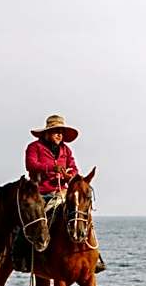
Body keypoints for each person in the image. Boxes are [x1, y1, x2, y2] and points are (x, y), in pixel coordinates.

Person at [12, 114, 105, 272]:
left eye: (61, 132)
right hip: (40, 192)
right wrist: (51, 169)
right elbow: (31, 165)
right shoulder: (34, 147)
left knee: (80, 214)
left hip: (62, 192)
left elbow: (73, 167)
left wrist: (71, 175)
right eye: (56, 131)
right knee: (33, 220)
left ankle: (94, 256)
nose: (59, 134)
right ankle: (20, 256)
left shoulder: (65, 150)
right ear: (47, 133)